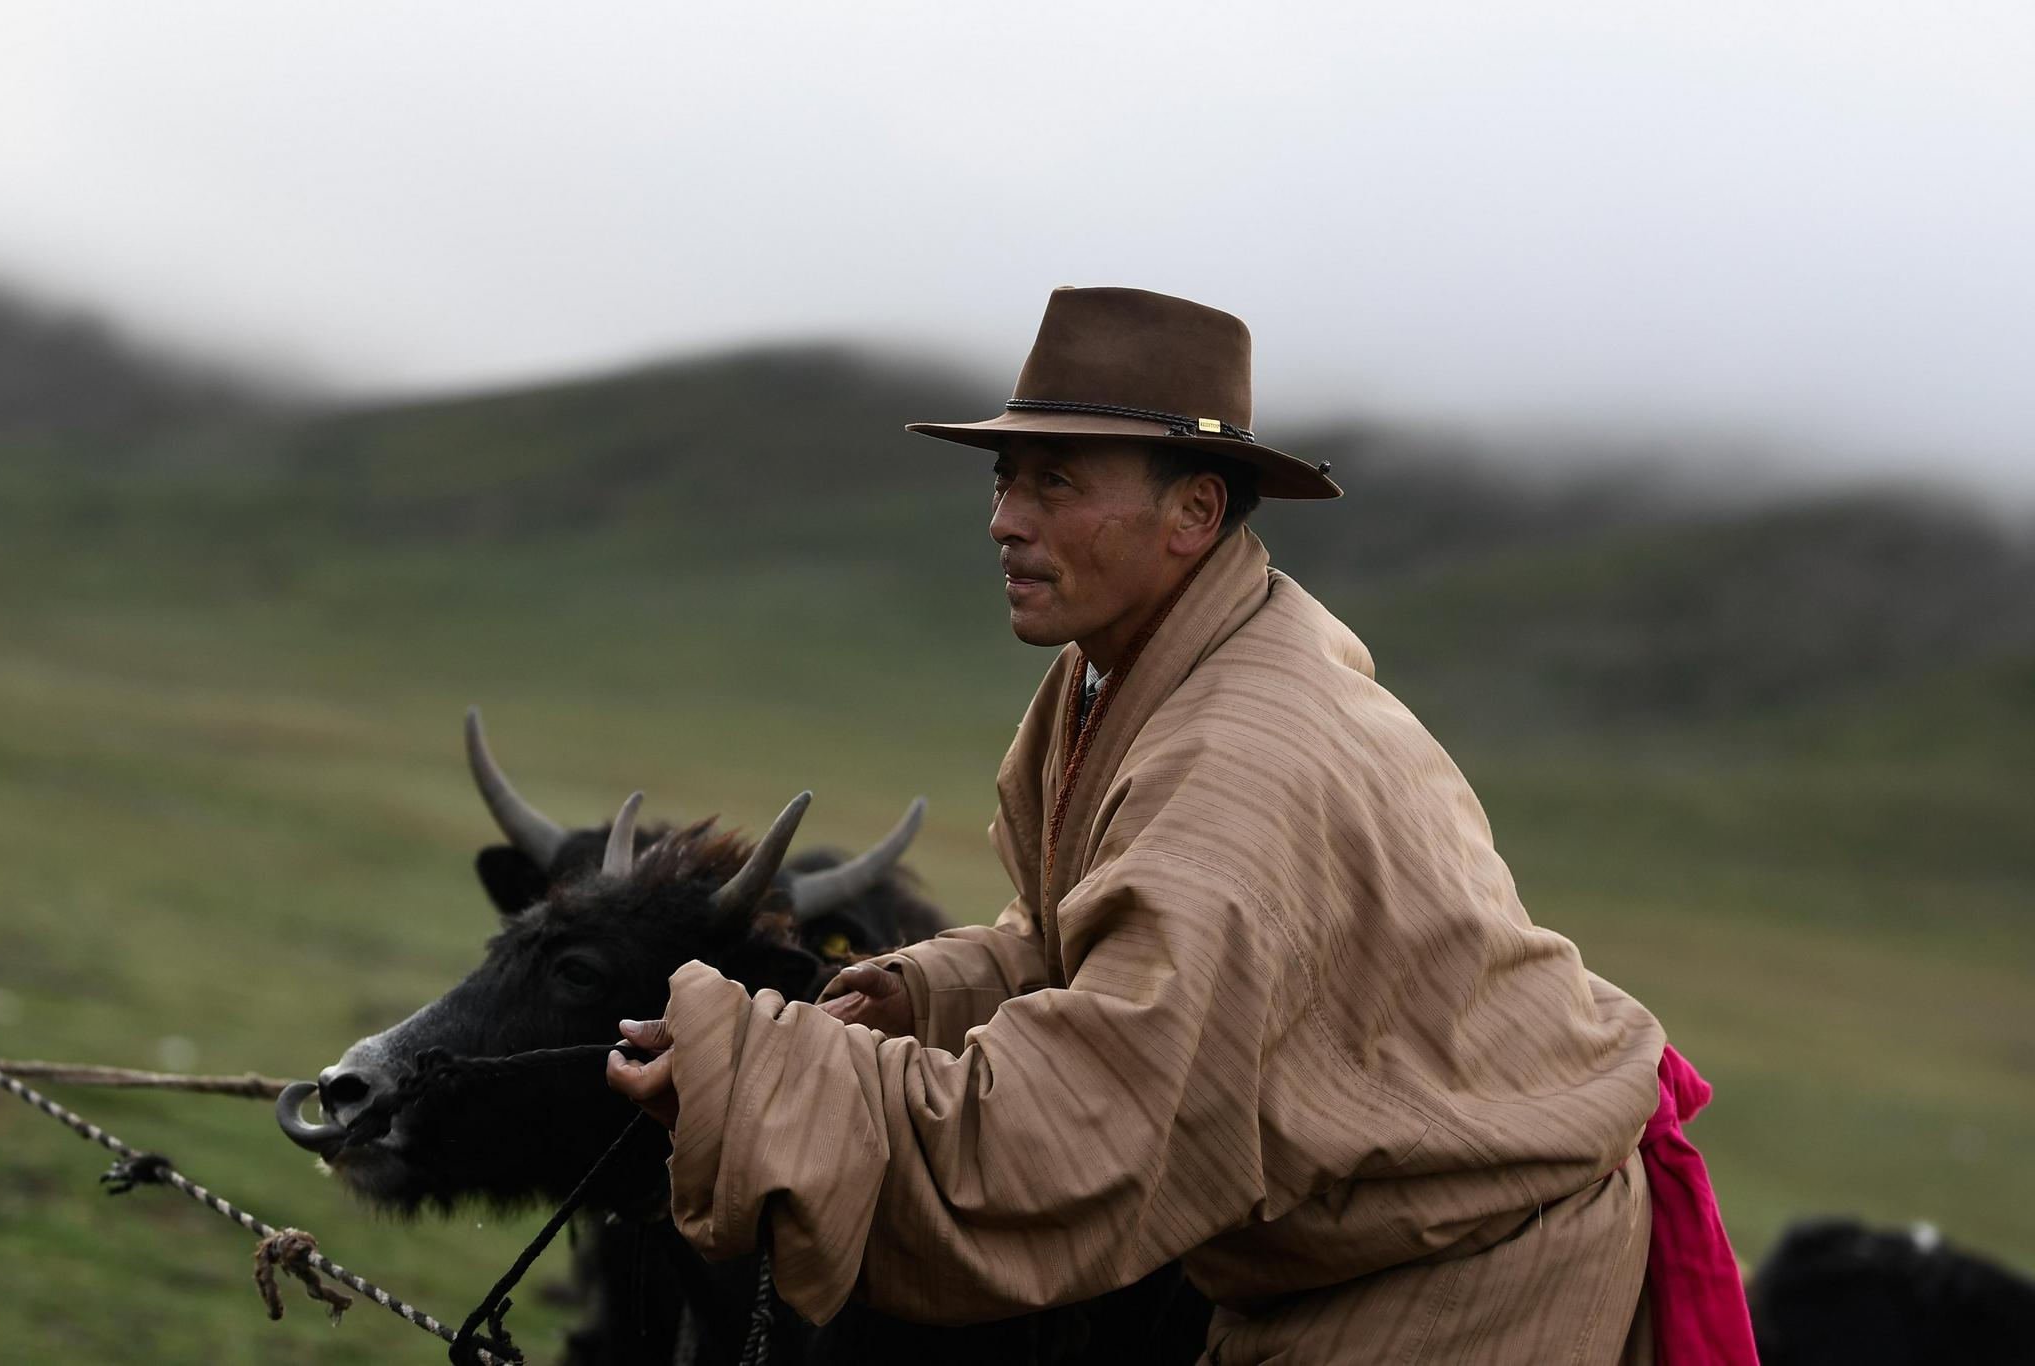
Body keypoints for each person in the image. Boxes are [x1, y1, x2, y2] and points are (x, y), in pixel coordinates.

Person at [608, 286, 1738, 1364]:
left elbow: (1076, 1129)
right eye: (1004, 480)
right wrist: (931, 990)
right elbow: (1096, 942)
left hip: (1458, 1287)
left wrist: (758, 1071)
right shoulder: (1141, 663)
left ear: (1194, 512)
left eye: (1055, 483)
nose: (1003, 522)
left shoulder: (1237, 761)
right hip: (1353, 1259)